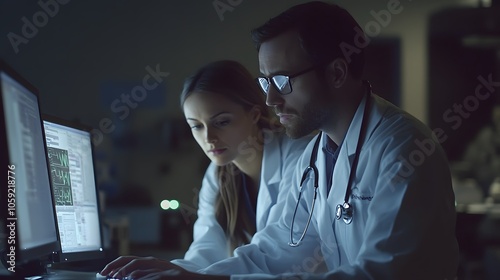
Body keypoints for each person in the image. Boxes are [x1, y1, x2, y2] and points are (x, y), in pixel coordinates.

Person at [100, 2, 459, 279]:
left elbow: (381, 273)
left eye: (283, 81)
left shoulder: (403, 149)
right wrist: (189, 274)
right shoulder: (316, 156)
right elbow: (280, 248)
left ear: (336, 72)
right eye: (265, 82)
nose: (271, 100)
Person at [100, 60, 312, 276]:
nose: (209, 138)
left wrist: (194, 277)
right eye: (197, 126)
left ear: (254, 115)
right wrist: (169, 270)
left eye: (222, 122)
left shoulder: (299, 158)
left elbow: (277, 253)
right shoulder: (217, 173)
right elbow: (207, 247)